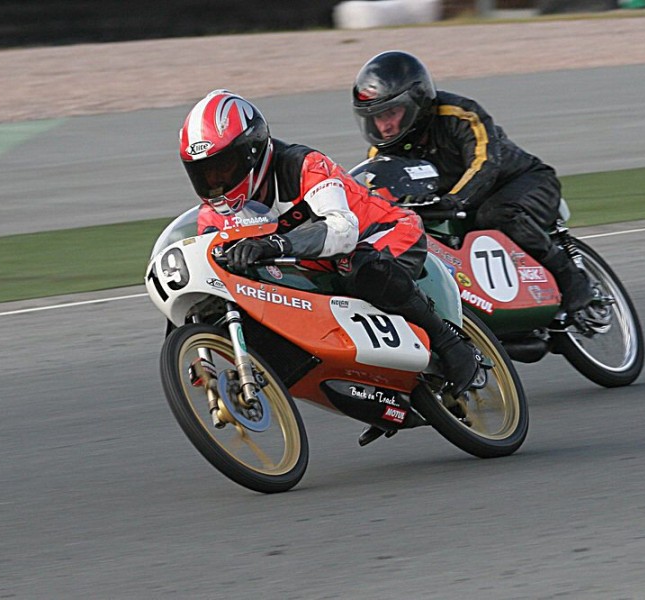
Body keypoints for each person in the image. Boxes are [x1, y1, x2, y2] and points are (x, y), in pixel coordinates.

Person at [178, 90, 480, 441]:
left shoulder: (303, 165)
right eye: (204, 174)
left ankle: (450, 343)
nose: (216, 183)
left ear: (253, 151)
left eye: (224, 168)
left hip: (385, 234)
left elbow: (343, 231)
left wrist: (273, 244)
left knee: (356, 266)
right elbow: (209, 273)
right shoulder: (212, 215)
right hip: (319, 269)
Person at [351, 51, 594, 313]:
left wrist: (452, 201)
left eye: (391, 113)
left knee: (498, 213)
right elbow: (377, 201)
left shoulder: (460, 114)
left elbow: (484, 163)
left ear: (416, 102)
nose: (384, 125)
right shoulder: (381, 156)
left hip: (523, 181)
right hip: (460, 203)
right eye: (377, 117)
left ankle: (571, 278)